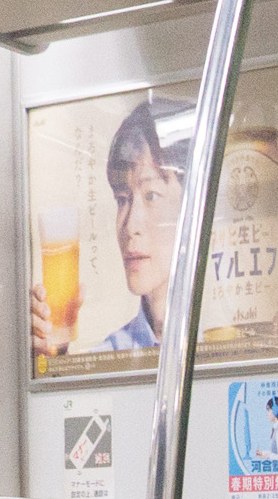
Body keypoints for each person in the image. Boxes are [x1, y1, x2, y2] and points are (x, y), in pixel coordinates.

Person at [29, 97, 191, 367]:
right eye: (122, 199)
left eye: (151, 195)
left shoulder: (229, 335)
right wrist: (50, 360)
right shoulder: (109, 355)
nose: (130, 226)